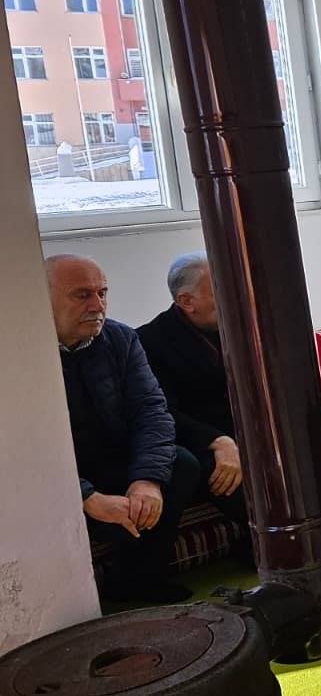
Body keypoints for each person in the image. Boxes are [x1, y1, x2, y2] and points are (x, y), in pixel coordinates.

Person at [137, 252, 321, 559]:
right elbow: (163, 413)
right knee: (220, 469)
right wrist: (217, 441)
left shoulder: (250, 325)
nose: (234, 298)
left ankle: (312, 530)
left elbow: (286, 388)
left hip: (258, 430)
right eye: (220, 290)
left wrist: (317, 429)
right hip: (204, 439)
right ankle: (273, 544)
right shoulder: (149, 342)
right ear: (186, 301)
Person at [47, 254, 199, 603]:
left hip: (112, 459)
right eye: (82, 295)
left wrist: (147, 480)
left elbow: (152, 411)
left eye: (102, 293)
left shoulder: (120, 339)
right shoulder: (18, 353)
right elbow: (24, 451)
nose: (97, 305)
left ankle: (139, 583)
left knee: (182, 464)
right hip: (60, 476)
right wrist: (85, 496)